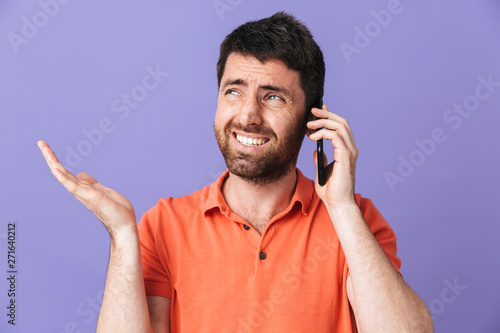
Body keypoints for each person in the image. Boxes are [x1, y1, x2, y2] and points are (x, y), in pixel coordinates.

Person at [38, 11, 433, 333]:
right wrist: (124, 235)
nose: (247, 115)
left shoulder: (357, 221)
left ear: (314, 120)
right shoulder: (165, 225)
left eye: (273, 97)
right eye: (234, 90)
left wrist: (342, 209)